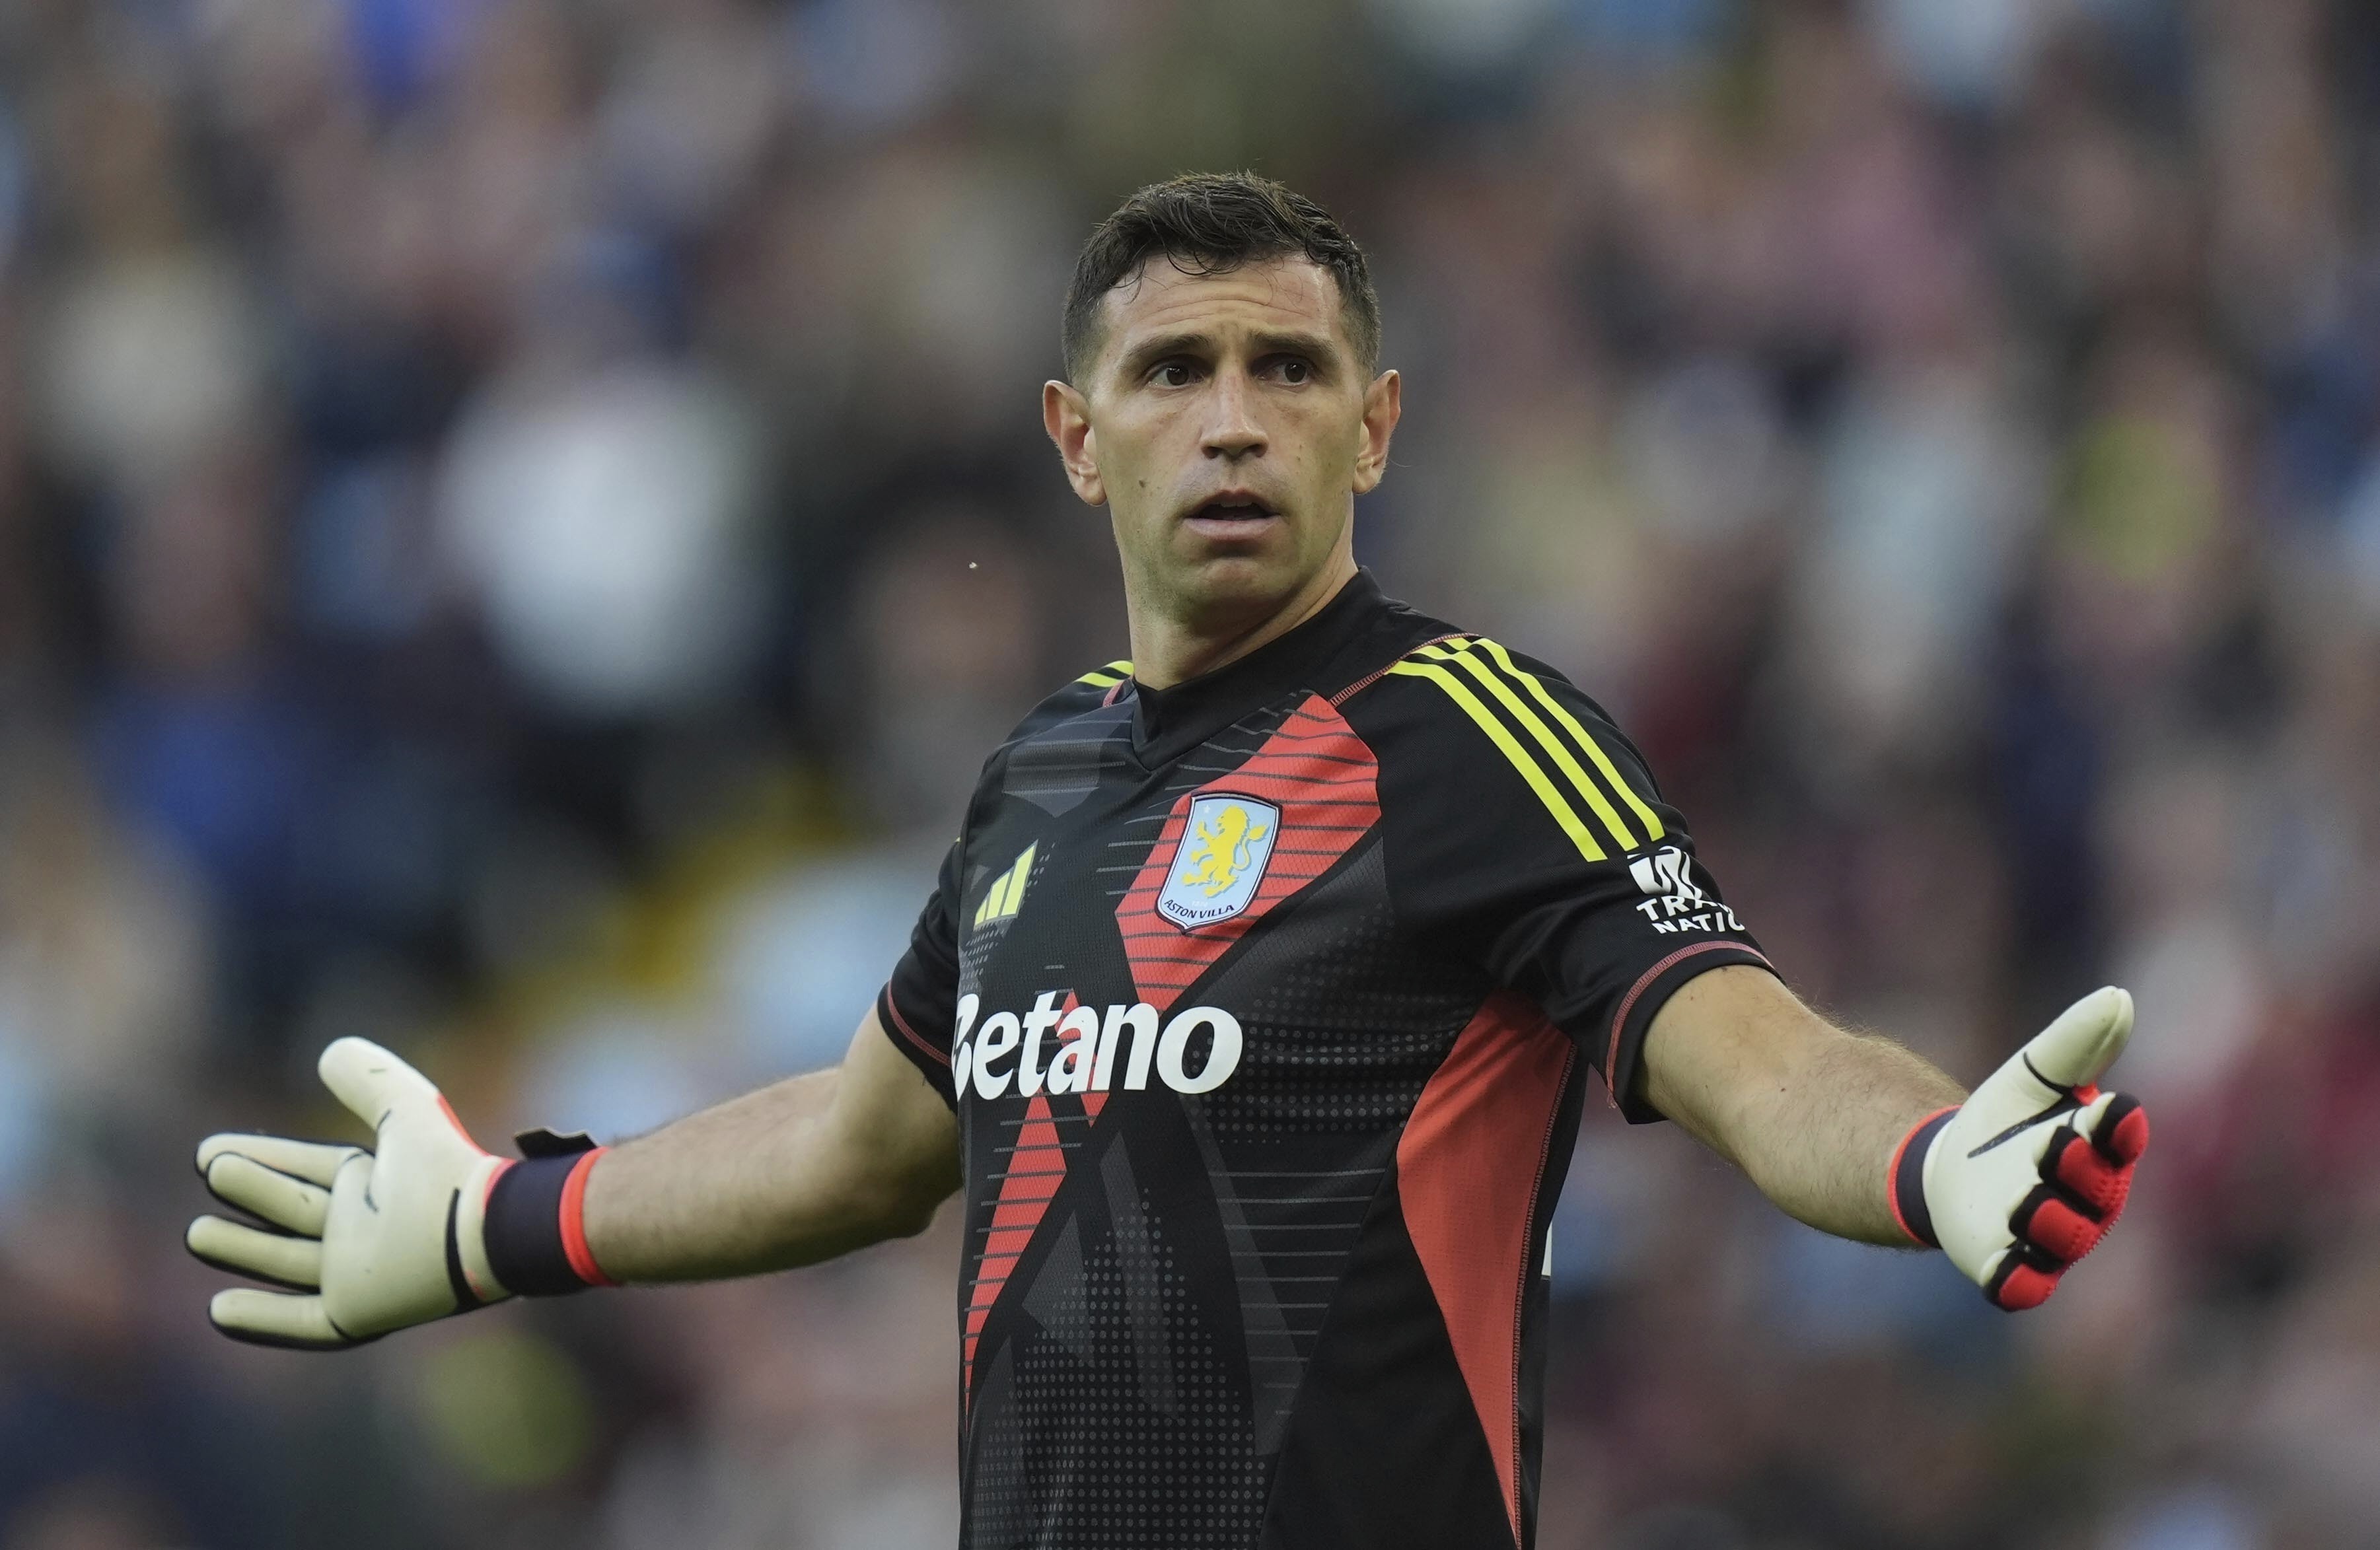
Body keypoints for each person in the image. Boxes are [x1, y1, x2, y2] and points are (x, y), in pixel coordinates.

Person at [188, 173, 2151, 1549]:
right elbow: (872, 1142)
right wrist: (493, 1223)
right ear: (1073, 436)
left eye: (1286, 373)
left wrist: (1914, 1158)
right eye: (1171, 372)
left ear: (1373, 429)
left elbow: (1749, 1045)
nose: (1231, 422)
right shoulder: (1037, 778)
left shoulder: (1465, 733)